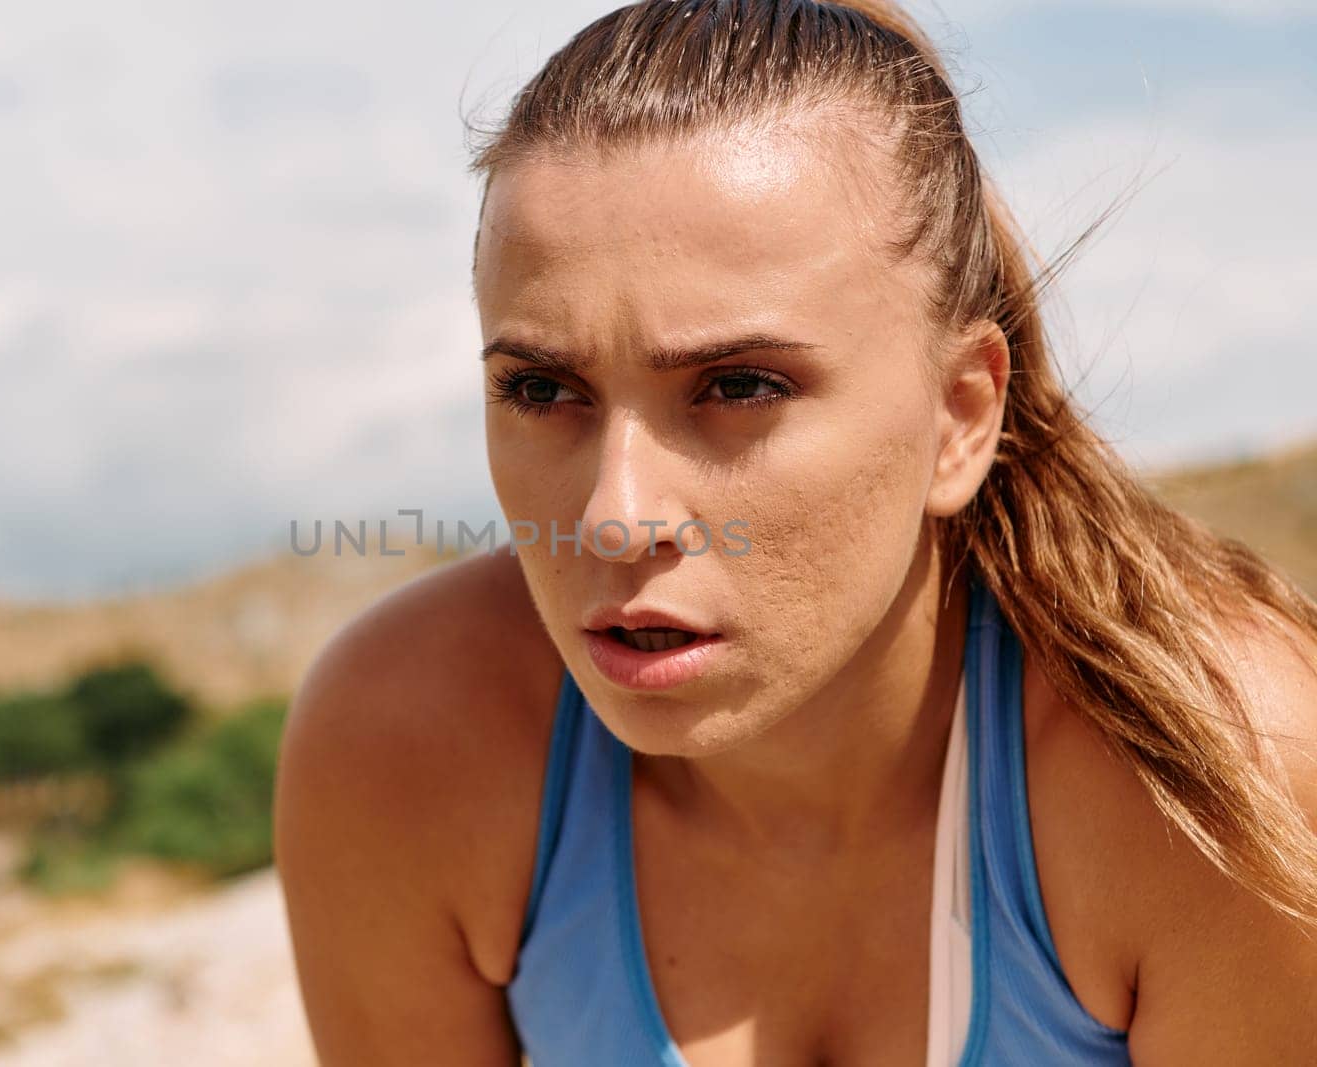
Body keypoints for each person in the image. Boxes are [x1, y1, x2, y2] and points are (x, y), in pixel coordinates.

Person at [274, 1, 1317, 1063]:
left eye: (739, 385)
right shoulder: (409, 740)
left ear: (959, 416)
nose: (613, 516)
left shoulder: (1207, 776)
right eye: (543, 387)